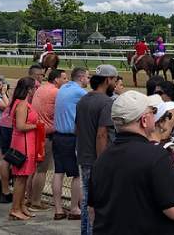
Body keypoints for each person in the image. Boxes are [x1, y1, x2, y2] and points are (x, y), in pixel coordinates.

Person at [89, 91, 174, 235]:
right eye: (153, 112)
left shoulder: (102, 159)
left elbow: (92, 211)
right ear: (144, 120)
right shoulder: (157, 156)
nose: (156, 116)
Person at [75, 64, 117, 235]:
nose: (115, 82)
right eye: (114, 79)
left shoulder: (83, 99)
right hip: (96, 159)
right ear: (107, 80)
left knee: (87, 199)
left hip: (83, 155)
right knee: (96, 201)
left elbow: (77, 127)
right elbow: (102, 134)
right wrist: (102, 162)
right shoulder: (107, 102)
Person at [28, 68, 67, 211]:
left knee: (33, 169)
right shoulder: (57, 92)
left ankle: (30, 198)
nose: (66, 81)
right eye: (64, 78)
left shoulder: (41, 88)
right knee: (42, 170)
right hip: (45, 134)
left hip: (35, 130)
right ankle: (36, 201)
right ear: (56, 79)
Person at [53, 67, 89, 220]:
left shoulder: (63, 88)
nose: (89, 79)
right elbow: (93, 101)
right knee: (76, 175)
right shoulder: (79, 92)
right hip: (71, 138)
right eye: (88, 77)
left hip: (58, 136)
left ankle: (58, 209)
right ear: (81, 78)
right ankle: (74, 209)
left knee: (58, 172)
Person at [8, 76, 42, 220]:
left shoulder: (19, 102)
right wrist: (37, 126)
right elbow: (21, 126)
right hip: (24, 144)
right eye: (34, 87)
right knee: (21, 179)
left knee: (23, 177)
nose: (36, 89)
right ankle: (15, 208)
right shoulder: (22, 104)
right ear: (28, 90)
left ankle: (21, 206)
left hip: (24, 142)